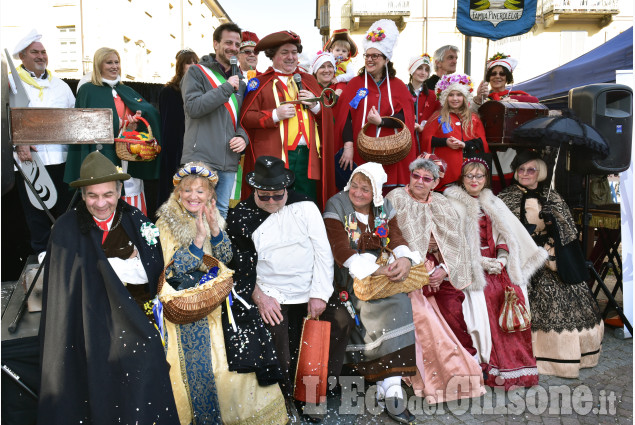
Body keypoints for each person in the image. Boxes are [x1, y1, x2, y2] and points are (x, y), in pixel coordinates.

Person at [38, 151, 179, 424]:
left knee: (148, 353)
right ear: (83, 196)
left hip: (130, 314)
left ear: (118, 192)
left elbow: (149, 272)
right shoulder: (67, 227)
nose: (101, 203)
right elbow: (63, 283)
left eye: (107, 195)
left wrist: (105, 266)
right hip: (82, 319)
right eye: (93, 195)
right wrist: (117, 264)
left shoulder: (134, 219)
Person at [155, 162, 287, 425]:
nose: (193, 196)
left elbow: (226, 259)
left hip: (215, 303)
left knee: (237, 360)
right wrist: (196, 241)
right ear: (178, 193)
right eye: (188, 190)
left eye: (200, 191)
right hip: (186, 309)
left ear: (211, 196)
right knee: (205, 371)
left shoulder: (212, 216)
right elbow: (172, 272)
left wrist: (215, 231)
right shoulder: (166, 222)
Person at [225, 156, 351, 422]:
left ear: (286, 189)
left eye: (277, 196)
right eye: (264, 197)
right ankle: (280, 398)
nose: (271, 202)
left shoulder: (305, 205)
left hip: (309, 287)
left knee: (339, 319)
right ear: (254, 190)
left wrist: (319, 293)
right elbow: (239, 267)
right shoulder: (241, 217)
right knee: (274, 334)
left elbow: (322, 251)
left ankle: (314, 390)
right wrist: (259, 297)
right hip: (271, 293)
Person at [323, 162, 420, 424]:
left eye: (365, 189)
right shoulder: (337, 204)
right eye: (354, 185)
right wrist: (377, 271)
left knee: (401, 302)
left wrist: (405, 260)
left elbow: (397, 238)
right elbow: (340, 250)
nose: (357, 192)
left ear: (376, 191)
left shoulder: (384, 207)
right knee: (372, 306)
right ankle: (386, 386)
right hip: (350, 277)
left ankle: (391, 387)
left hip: (383, 273)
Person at [385, 156, 485, 403]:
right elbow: (387, 237)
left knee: (452, 309)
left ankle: (466, 362)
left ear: (435, 182)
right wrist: (419, 271)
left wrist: (442, 269)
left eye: (426, 179)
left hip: (441, 269)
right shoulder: (395, 198)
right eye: (415, 176)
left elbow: (456, 241)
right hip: (408, 271)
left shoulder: (442, 203)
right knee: (419, 317)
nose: (419, 182)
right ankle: (419, 374)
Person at [498, 150, 604, 378]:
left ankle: (565, 357)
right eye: (521, 169)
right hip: (520, 258)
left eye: (531, 170)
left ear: (540, 173)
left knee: (565, 294)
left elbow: (569, 231)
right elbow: (500, 232)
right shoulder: (505, 197)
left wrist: (552, 223)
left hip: (550, 257)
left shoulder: (553, 196)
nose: (525, 174)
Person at [445, 158, 546, 389]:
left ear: (485, 180)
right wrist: (479, 261)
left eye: (479, 176)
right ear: (462, 178)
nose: (474, 180)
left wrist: (501, 259)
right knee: (488, 297)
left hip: (498, 264)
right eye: (469, 176)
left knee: (514, 295)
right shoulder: (451, 203)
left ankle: (519, 366)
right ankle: (488, 364)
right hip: (470, 266)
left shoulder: (493, 201)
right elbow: (451, 243)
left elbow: (506, 234)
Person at [240, 30, 336, 208]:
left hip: (308, 157)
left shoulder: (308, 80)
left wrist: (315, 106)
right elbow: (246, 118)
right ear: (273, 56)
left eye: (294, 52)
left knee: (306, 204)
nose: (291, 57)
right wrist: (275, 115)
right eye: (284, 53)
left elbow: (328, 116)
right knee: (276, 206)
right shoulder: (261, 83)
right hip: (275, 157)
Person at [65, 47, 161, 216]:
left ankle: (134, 233)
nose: (114, 66)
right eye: (109, 62)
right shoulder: (88, 90)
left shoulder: (126, 90)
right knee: (106, 195)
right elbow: (81, 127)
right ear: (98, 65)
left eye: (117, 62)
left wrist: (133, 125)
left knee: (131, 193)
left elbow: (146, 115)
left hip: (128, 156)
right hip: (102, 154)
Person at [11, 29, 75, 258]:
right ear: (22, 57)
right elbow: (3, 120)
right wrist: (18, 142)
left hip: (62, 159)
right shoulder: (10, 83)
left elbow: (75, 118)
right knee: (37, 212)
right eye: (34, 52)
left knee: (65, 213)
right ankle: (43, 257)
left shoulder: (61, 86)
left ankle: (66, 256)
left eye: (43, 52)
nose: (41, 56)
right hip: (29, 161)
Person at [335, 19, 417, 190]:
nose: (370, 60)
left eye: (375, 56)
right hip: (359, 152)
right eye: (367, 56)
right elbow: (345, 118)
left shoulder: (399, 86)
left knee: (386, 197)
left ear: (386, 59)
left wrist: (382, 121)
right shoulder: (355, 84)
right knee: (361, 193)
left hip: (391, 153)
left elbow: (405, 117)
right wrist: (348, 146)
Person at [180, 22, 248, 219]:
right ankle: (194, 252)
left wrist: (243, 137)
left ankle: (215, 251)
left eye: (237, 44)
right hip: (201, 158)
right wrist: (226, 88)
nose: (233, 48)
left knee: (220, 214)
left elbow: (244, 119)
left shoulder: (241, 81)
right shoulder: (197, 72)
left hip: (228, 160)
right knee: (194, 213)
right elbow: (193, 108)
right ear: (215, 44)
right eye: (228, 42)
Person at [473, 53, 539, 192]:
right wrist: (478, 99)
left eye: (502, 73)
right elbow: (471, 114)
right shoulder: (483, 99)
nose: (498, 76)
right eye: (493, 73)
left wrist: (512, 101)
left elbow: (534, 102)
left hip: (512, 150)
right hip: (489, 150)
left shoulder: (518, 96)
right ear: (488, 78)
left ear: (507, 77)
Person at [421, 73, 489, 191]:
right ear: (445, 98)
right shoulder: (437, 117)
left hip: (470, 173)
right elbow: (427, 139)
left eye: (459, 95)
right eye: (451, 95)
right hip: (446, 173)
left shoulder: (473, 118)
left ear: (464, 97)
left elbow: (482, 142)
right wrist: (445, 142)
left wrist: (465, 145)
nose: (455, 98)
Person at [157, 48, 199, 207]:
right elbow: (169, 127)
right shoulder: (169, 91)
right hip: (176, 148)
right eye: (189, 62)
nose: (193, 65)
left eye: (196, 62)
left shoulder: (200, 90)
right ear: (180, 66)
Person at [407, 54, 439, 154]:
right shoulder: (401, 91)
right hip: (405, 143)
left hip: (424, 144)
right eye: (419, 68)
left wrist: (423, 128)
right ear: (412, 70)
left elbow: (438, 120)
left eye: (426, 70)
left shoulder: (433, 96)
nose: (423, 72)